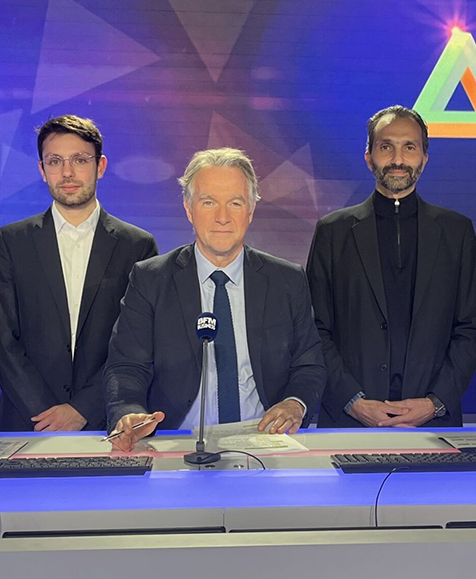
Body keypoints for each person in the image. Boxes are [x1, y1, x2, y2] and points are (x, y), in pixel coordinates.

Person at [104, 148, 326, 451]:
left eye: (235, 203)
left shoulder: (287, 280)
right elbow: (126, 365)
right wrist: (129, 412)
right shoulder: (151, 279)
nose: (222, 217)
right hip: (176, 444)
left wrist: (294, 403)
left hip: (266, 443)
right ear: (188, 208)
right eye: (208, 202)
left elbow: (309, 364)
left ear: (251, 210)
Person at [306, 105, 476, 428]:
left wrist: (435, 403)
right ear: (369, 157)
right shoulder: (333, 232)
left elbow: (470, 330)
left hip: (432, 423)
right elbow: (315, 329)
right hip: (350, 421)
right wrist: (353, 402)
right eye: (386, 147)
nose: (398, 159)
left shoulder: (457, 232)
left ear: (424, 158)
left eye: (409, 147)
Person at [0, 115, 157, 432]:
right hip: (27, 422)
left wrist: (82, 409)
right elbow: (2, 342)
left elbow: (138, 343)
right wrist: (45, 413)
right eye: (55, 161)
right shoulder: (9, 242)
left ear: (100, 166)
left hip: (106, 422)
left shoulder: (137, 246)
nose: (67, 172)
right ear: (42, 170)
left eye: (79, 160)